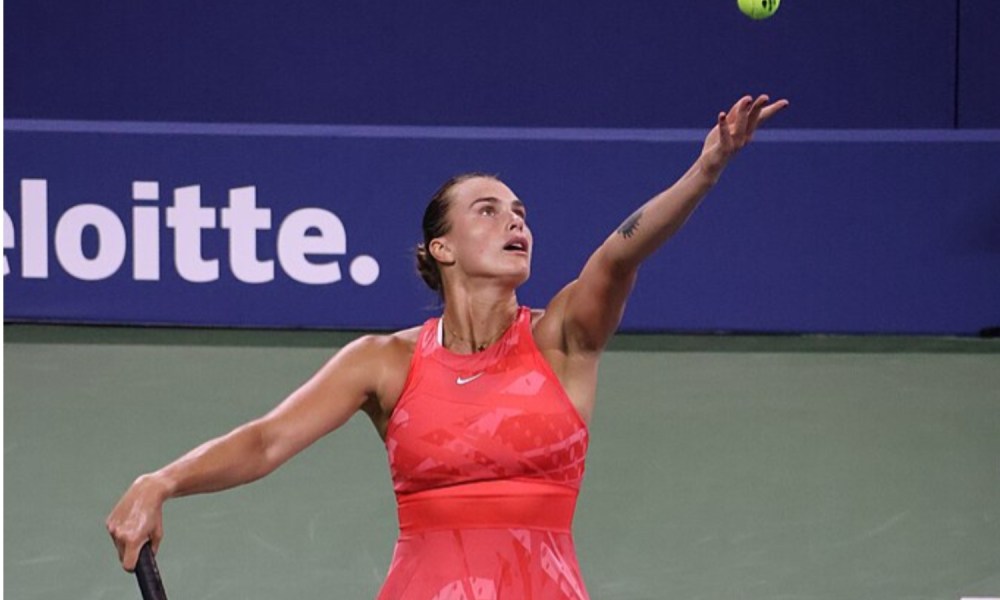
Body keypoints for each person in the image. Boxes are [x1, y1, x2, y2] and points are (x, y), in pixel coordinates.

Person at [107, 94, 788, 598]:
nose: (515, 222)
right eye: (488, 211)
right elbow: (265, 442)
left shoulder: (562, 342)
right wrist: (160, 480)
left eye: (520, 213)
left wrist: (706, 171)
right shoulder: (385, 362)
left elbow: (618, 256)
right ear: (443, 248)